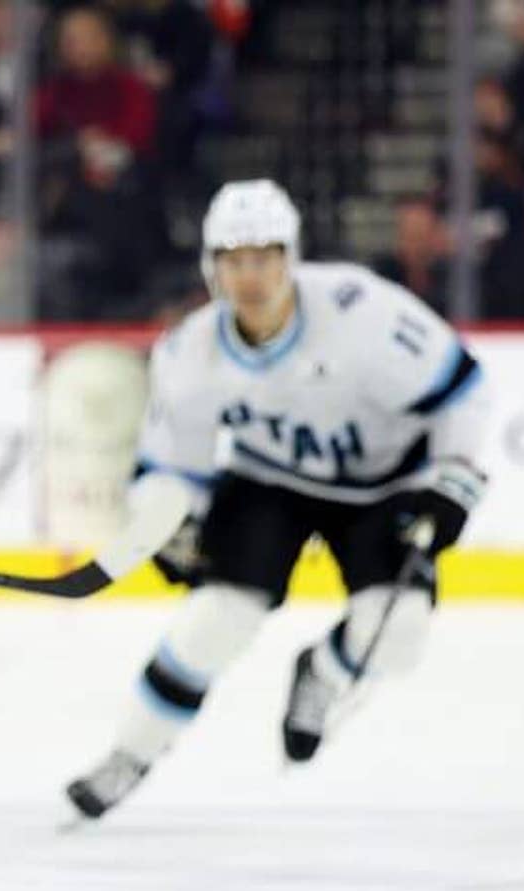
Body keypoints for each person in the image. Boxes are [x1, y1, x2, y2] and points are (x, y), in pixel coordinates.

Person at [65, 180, 490, 819]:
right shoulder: (190, 351)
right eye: (235, 261)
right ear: (213, 268)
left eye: (264, 258)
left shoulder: (362, 313)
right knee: (215, 620)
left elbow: (464, 389)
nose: (251, 277)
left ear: (290, 258)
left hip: (383, 484)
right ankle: (131, 752)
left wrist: (452, 482)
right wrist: (166, 524)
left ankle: (324, 671)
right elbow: (171, 467)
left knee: (397, 633)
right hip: (271, 482)